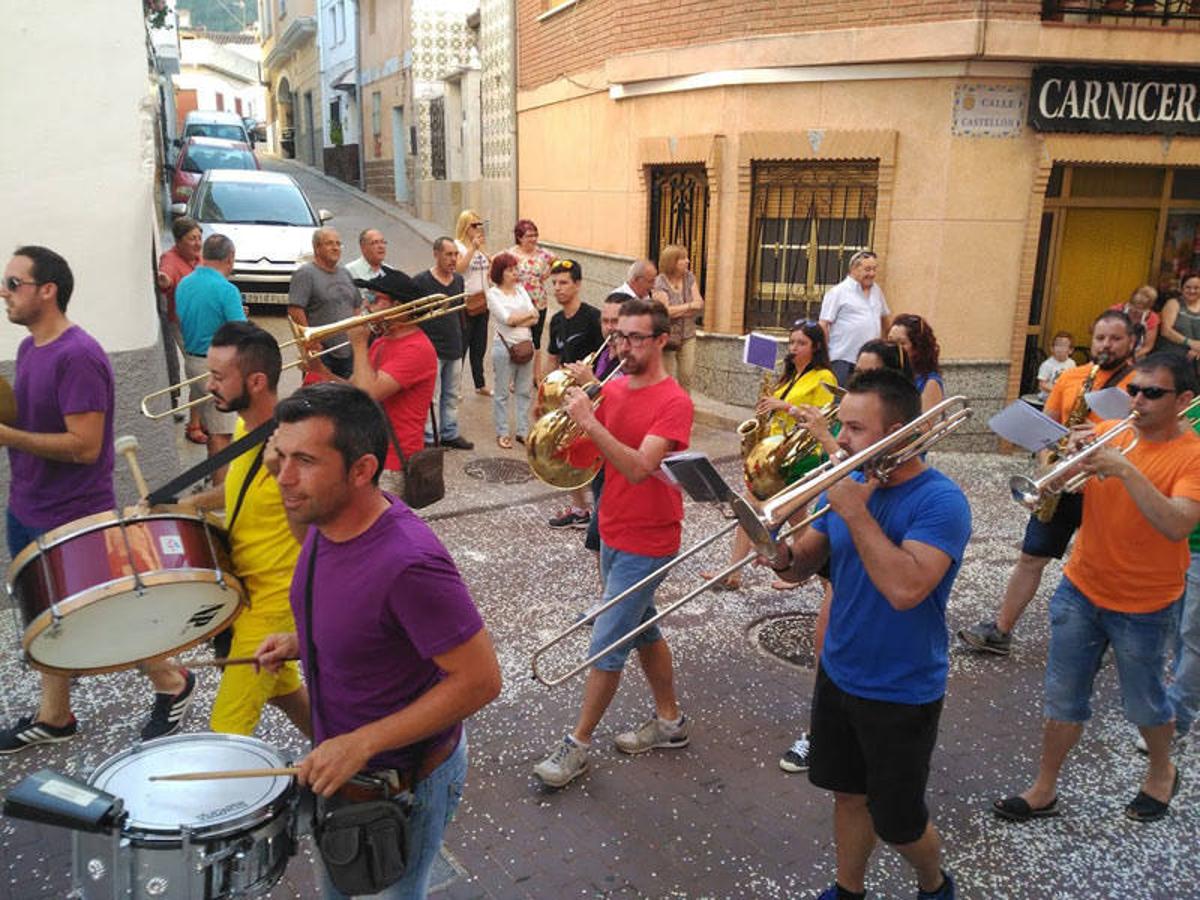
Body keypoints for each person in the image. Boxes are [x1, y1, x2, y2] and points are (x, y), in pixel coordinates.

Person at [255, 382, 502, 899]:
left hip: (404, 785)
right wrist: (303, 641)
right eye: (280, 457)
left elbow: (480, 681)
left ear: (362, 470)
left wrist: (362, 742)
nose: (283, 477)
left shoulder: (409, 562)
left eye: (304, 460)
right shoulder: (324, 517)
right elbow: (361, 613)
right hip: (347, 774)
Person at [765, 367, 971, 900]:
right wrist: (775, 550)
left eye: (855, 429)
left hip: (902, 685)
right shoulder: (851, 487)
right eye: (843, 426)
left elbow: (906, 589)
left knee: (898, 819)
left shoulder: (941, 501)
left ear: (899, 432)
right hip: (840, 669)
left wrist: (856, 513)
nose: (841, 441)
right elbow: (801, 566)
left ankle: (934, 883)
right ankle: (847, 888)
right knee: (848, 794)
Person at [0, 246, 194, 753]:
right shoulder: (28, 350)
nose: (5, 292)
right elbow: (33, 422)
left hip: (72, 513)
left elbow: (85, 448)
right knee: (47, 617)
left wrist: (8, 437)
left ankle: (174, 683)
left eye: (14, 283)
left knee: (109, 614)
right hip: (27, 504)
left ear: (48, 290)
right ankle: (56, 715)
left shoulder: (78, 355)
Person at [994, 353, 1200, 825]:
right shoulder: (1116, 431)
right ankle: (1045, 789)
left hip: (1146, 603)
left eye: (1152, 393)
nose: (1138, 401)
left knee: (1145, 700)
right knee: (1062, 696)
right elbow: (1076, 488)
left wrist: (1125, 470)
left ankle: (1161, 772)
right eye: (1134, 390)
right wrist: (1061, 471)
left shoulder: (1192, 456)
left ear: (1183, 400)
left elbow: (1177, 524)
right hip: (1081, 587)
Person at [533, 297, 694, 789]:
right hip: (612, 530)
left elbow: (639, 467)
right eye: (618, 336)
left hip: (651, 539)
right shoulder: (615, 387)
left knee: (607, 642)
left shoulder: (674, 401)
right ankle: (670, 722)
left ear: (661, 340)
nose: (623, 347)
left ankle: (576, 746)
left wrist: (589, 420)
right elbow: (589, 457)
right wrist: (563, 427)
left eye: (635, 338)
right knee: (642, 629)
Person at [959, 310, 1138, 655]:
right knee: (1031, 557)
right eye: (1101, 337)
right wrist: (1049, 467)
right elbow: (1047, 429)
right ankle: (1001, 630)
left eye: (1116, 338)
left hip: (1111, 489)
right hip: (1064, 486)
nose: (1107, 345)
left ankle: (1114, 637)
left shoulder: (1141, 384)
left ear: (1131, 342)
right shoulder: (1072, 377)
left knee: (1108, 563)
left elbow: (1146, 439)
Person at [176, 321, 310, 737]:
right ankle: (360, 765)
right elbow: (239, 487)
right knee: (282, 688)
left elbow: (320, 531)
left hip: (274, 605)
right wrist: (190, 504)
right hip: (247, 593)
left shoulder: (292, 449)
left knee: (226, 728)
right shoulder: (244, 425)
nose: (209, 385)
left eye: (218, 377)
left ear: (255, 381)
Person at [705, 319, 836, 592]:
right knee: (769, 511)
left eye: (802, 343)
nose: (794, 348)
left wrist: (785, 406)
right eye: (792, 342)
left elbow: (824, 417)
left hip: (801, 456)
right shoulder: (788, 375)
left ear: (817, 347)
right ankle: (739, 573)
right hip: (777, 453)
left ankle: (823, 583)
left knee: (777, 514)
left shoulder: (824, 377)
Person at [347, 269, 439, 496]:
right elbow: (354, 388)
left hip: (393, 462)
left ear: (398, 306)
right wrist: (319, 370)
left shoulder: (416, 348)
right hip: (371, 453)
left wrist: (358, 344)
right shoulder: (383, 341)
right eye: (367, 297)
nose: (367, 305)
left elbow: (368, 394)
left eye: (374, 299)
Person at [175, 233, 246, 468]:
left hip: (192, 360)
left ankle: (211, 481)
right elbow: (241, 333)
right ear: (230, 257)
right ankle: (219, 499)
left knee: (211, 426)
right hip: (216, 367)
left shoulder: (185, 283)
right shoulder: (227, 290)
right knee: (222, 436)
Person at [543, 258, 604, 529]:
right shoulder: (556, 320)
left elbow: (605, 359)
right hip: (564, 396)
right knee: (563, 451)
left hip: (590, 396)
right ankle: (580, 510)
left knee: (590, 453)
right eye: (554, 283)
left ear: (577, 285)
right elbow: (552, 357)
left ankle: (599, 509)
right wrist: (542, 394)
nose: (558, 288)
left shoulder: (593, 318)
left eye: (564, 282)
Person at [413, 237, 472, 449]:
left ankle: (449, 433)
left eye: (456, 254)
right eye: (448, 254)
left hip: (454, 347)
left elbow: (460, 314)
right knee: (433, 396)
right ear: (436, 254)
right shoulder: (421, 281)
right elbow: (413, 317)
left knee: (451, 395)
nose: (453, 259)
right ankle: (430, 437)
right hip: (431, 350)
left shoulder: (458, 281)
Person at [288, 227, 359, 380]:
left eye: (338, 244)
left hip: (348, 350)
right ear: (317, 248)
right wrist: (311, 341)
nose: (335, 248)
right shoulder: (306, 273)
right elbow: (295, 310)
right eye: (329, 244)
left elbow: (356, 307)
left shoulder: (346, 273)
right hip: (321, 350)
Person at [486, 252, 538, 449]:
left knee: (524, 392)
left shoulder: (521, 290)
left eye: (515, 269)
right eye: (509, 270)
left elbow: (536, 317)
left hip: (525, 344)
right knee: (501, 393)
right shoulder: (493, 294)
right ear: (500, 272)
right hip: (504, 347)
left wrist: (519, 317)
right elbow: (507, 319)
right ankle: (502, 432)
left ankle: (523, 432)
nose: (514, 273)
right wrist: (522, 317)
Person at [819, 250, 890, 387]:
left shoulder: (877, 291)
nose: (872, 274)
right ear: (854, 269)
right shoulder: (838, 292)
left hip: (870, 360)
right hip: (843, 358)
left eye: (874, 269)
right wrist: (826, 354)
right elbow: (824, 324)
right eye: (867, 269)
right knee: (840, 400)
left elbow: (885, 318)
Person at [156, 215, 202, 419]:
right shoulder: (170, 259)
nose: (198, 243)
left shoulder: (199, 258)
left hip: (202, 321)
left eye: (199, 237)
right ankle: (195, 423)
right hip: (183, 324)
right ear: (178, 241)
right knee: (199, 366)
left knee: (202, 366)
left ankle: (199, 420)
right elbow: (166, 275)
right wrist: (164, 281)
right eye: (192, 239)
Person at [654, 244, 706, 393]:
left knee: (687, 376)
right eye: (683, 258)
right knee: (667, 378)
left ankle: (684, 409)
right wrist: (689, 307)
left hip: (688, 335)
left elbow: (700, 303)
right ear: (672, 262)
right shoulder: (660, 282)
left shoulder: (689, 277)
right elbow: (665, 312)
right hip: (667, 337)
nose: (688, 261)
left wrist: (678, 309)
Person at [508, 218, 555, 379]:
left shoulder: (543, 253)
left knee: (536, 340)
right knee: (519, 338)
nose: (533, 239)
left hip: (539, 302)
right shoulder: (511, 254)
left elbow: (557, 262)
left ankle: (536, 376)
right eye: (529, 236)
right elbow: (496, 266)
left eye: (535, 235)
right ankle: (515, 377)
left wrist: (545, 275)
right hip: (519, 304)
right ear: (519, 237)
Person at [455, 209, 491, 396]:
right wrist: (473, 248)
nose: (478, 228)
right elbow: (459, 268)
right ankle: (456, 386)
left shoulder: (481, 248)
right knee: (462, 346)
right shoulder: (458, 246)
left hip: (483, 301)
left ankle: (480, 384)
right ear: (465, 226)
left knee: (480, 345)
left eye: (479, 224)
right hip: (466, 302)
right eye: (474, 225)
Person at [888, 314, 943, 412]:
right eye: (890, 341)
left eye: (901, 343)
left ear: (917, 348)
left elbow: (924, 425)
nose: (893, 347)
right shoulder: (890, 375)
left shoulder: (930, 383)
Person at [1153, 273, 1200, 366]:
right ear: (1181, 288)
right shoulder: (1173, 303)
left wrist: (1198, 348)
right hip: (1169, 358)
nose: (1192, 291)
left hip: (1195, 361)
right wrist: (1190, 343)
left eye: (1196, 288)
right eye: (1188, 287)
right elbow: (1165, 331)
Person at [1112, 285, 1159, 360]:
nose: (1135, 311)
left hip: (1136, 355)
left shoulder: (1152, 318)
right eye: (1133, 307)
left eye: (1141, 309)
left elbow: (1148, 347)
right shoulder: (1117, 310)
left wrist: (1132, 357)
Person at [1037, 331, 1076, 403]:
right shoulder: (1047, 364)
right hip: (1048, 398)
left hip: (1064, 398)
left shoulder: (1072, 364)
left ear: (1070, 350)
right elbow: (1042, 384)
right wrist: (1057, 391)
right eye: (1058, 345)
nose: (1060, 348)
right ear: (1052, 348)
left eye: (1064, 346)